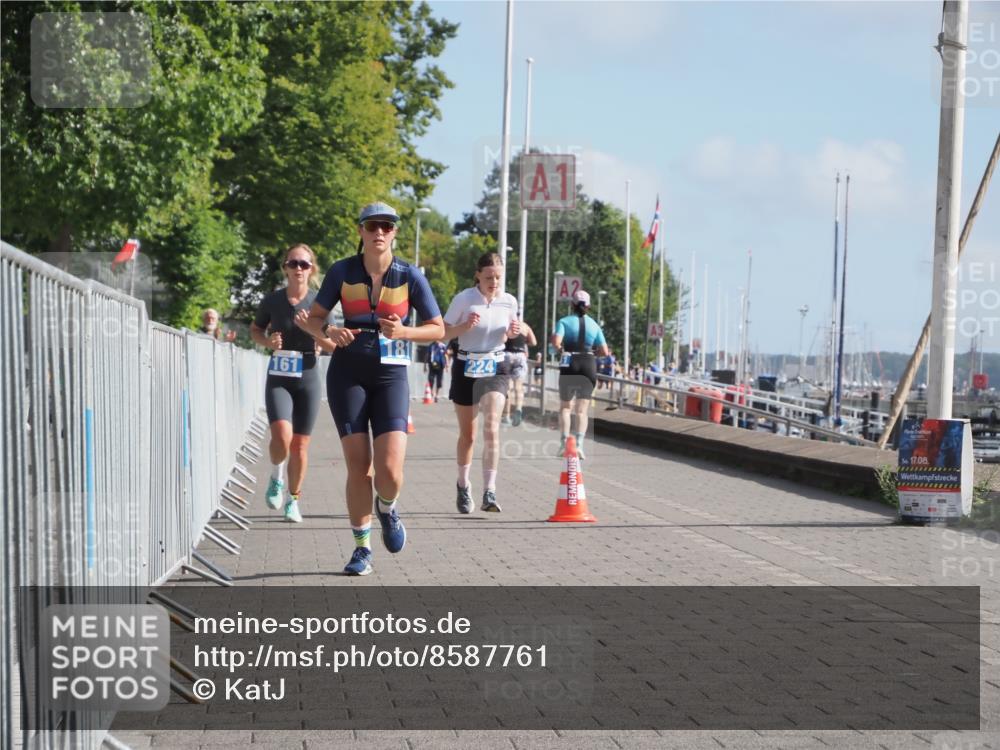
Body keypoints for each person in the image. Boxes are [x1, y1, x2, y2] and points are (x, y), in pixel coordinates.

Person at [302, 202, 444, 576]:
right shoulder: (342, 271)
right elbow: (314, 320)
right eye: (372, 226)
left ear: (394, 232)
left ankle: (387, 507)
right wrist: (330, 330)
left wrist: (405, 331)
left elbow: (438, 328)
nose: (379, 232)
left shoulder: (409, 275)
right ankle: (362, 548)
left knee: (390, 471)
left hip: (391, 376)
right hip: (347, 373)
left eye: (387, 226)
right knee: (358, 465)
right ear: (361, 231)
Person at [250, 244, 335, 523]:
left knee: (300, 445)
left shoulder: (319, 304)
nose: (299, 268)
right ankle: (276, 476)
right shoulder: (273, 301)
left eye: (304, 264)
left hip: (308, 376)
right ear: (285, 268)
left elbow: (333, 345)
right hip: (279, 376)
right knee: (282, 436)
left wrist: (314, 332)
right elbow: (256, 330)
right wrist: (267, 342)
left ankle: (293, 499)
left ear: (312, 269)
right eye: (293, 263)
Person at [443, 252, 519, 514]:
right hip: (466, 365)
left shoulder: (509, 301)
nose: (494, 282)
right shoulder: (464, 299)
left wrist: (512, 333)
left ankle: (490, 490)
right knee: (469, 435)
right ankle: (463, 485)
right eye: (489, 278)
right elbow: (442, 333)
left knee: (492, 427)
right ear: (478, 275)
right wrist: (463, 327)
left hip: (495, 366)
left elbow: (509, 334)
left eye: (498, 277)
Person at [551, 289, 609, 460]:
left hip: (570, 362)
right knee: (582, 410)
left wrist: (561, 350)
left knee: (565, 407)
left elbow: (556, 342)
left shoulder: (564, 321)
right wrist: (593, 353)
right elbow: (605, 351)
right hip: (588, 364)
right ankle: (580, 446)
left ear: (572, 304)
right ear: (588, 306)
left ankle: (564, 444)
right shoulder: (595, 325)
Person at [502, 320, 536, 426]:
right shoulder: (525, 326)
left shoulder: (506, 323)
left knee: (508, 387)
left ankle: (506, 415)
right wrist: (524, 342)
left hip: (507, 354)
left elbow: (501, 339)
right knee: (518, 387)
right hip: (521, 355)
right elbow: (534, 342)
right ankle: (518, 408)